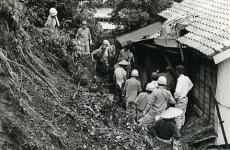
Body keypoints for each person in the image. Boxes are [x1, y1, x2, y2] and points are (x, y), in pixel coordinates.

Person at [174, 65, 193, 130]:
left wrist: (175, 97)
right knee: (183, 113)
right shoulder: (186, 78)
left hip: (180, 99)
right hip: (185, 98)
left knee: (177, 115)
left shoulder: (179, 79)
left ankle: (178, 130)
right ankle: (182, 127)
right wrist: (186, 91)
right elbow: (191, 85)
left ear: (177, 72)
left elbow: (178, 91)